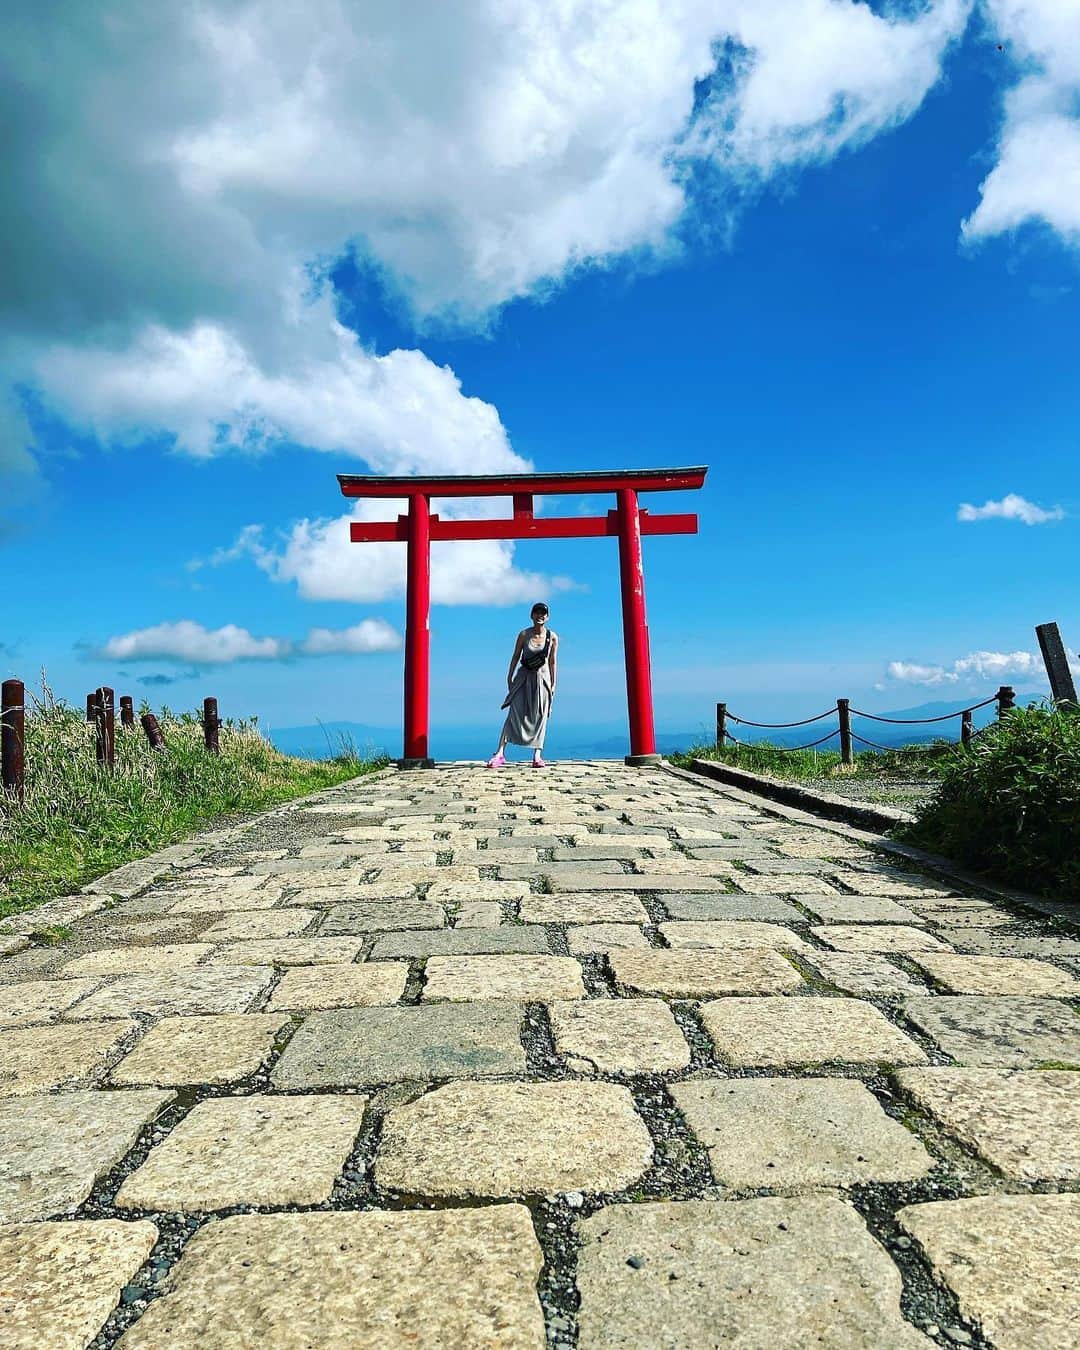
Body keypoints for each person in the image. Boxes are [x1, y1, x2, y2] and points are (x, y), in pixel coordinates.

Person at [487, 602, 558, 767]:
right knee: (514, 713)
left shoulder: (552, 636)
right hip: (523, 678)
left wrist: (554, 683)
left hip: (543, 679)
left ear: (547, 617)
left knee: (540, 716)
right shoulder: (524, 634)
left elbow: (553, 662)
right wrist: (509, 675)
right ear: (531, 615)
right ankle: (500, 753)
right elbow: (515, 656)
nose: (540, 616)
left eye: (543, 613)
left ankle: (537, 755)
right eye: (537, 612)